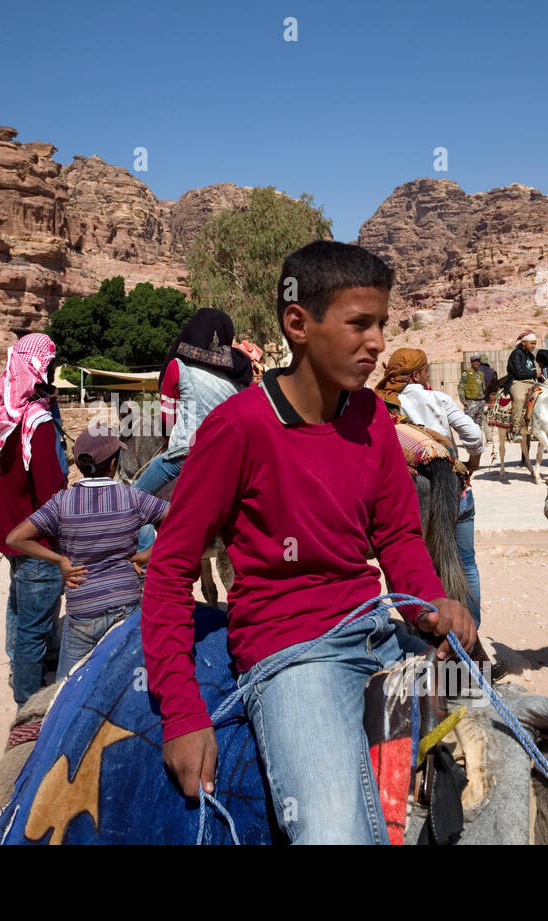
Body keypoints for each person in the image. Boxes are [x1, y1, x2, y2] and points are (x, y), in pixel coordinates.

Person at [141, 240, 476, 844]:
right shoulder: (238, 428)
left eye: (382, 324)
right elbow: (168, 571)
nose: (377, 343)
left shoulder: (373, 419)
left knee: (499, 753)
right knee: (333, 834)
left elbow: (398, 535)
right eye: (360, 324)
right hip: (295, 654)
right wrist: (181, 712)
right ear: (298, 323)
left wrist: (429, 603)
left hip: (377, 629)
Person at [6, 427, 169, 680]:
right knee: (126, 680)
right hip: (126, 603)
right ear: (113, 464)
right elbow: (184, 520)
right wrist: (151, 552)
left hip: (83, 611)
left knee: (68, 685)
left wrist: (59, 560)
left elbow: (15, 538)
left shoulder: (62, 502)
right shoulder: (133, 498)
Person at [0, 333, 68, 702]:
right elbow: (51, 493)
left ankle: (21, 670)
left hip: (7, 533)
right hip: (39, 539)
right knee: (34, 624)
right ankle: (27, 703)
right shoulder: (38, 421)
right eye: (50, 366)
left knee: (19, 605)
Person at [396, 350, 486, 635]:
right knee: (466, 561)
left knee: (421, 564)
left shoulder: (390, 404)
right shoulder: (439, 398)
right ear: (416, 375)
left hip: (419, 494)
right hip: (458, 491)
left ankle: (425, 632)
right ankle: (471, 630)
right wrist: (472, 463)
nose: (428, 376)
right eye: (426, 371)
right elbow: (475, 436)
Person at [135, 308, 253, 496]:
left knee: (133, 499)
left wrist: (168, 442)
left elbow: (167, 420)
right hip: (232, 456)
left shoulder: (177, 367)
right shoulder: (241, 372)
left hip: (188, 455)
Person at [503, 332, 539, 436]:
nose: (533, 346)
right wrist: (534, 373)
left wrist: (538, 375)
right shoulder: (516, 354)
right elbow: (519, 373)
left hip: (531, 382)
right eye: (532, 343)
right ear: (523, 343)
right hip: (517, 381)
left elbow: (532, 370)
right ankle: (516, 429)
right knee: (519, 398)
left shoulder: (530, 356)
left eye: (535, 344)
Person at [458, 354, 489, 429]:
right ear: (471, 362)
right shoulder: (466, 373)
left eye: (478, 361)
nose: (476, 363)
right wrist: (463, 400)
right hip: (471, 402)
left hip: (481, 402)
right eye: (474, 361)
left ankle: (478, 436)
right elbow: (461, 387)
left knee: (479, 425)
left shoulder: (480, 374)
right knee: (469, 424)